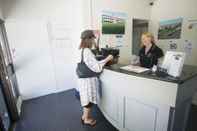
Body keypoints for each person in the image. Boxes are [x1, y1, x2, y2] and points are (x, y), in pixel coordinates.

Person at [77, 30, 113, 126]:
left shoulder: (81, 49)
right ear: (89, 39)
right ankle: (86, 119)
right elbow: (97, 68)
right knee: (88, 100)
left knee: (86, 99)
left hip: (82, 79)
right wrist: (108, 59)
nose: (93, 40)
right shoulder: (87, 51)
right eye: (93, 38)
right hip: (88, 80)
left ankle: (84, 117)